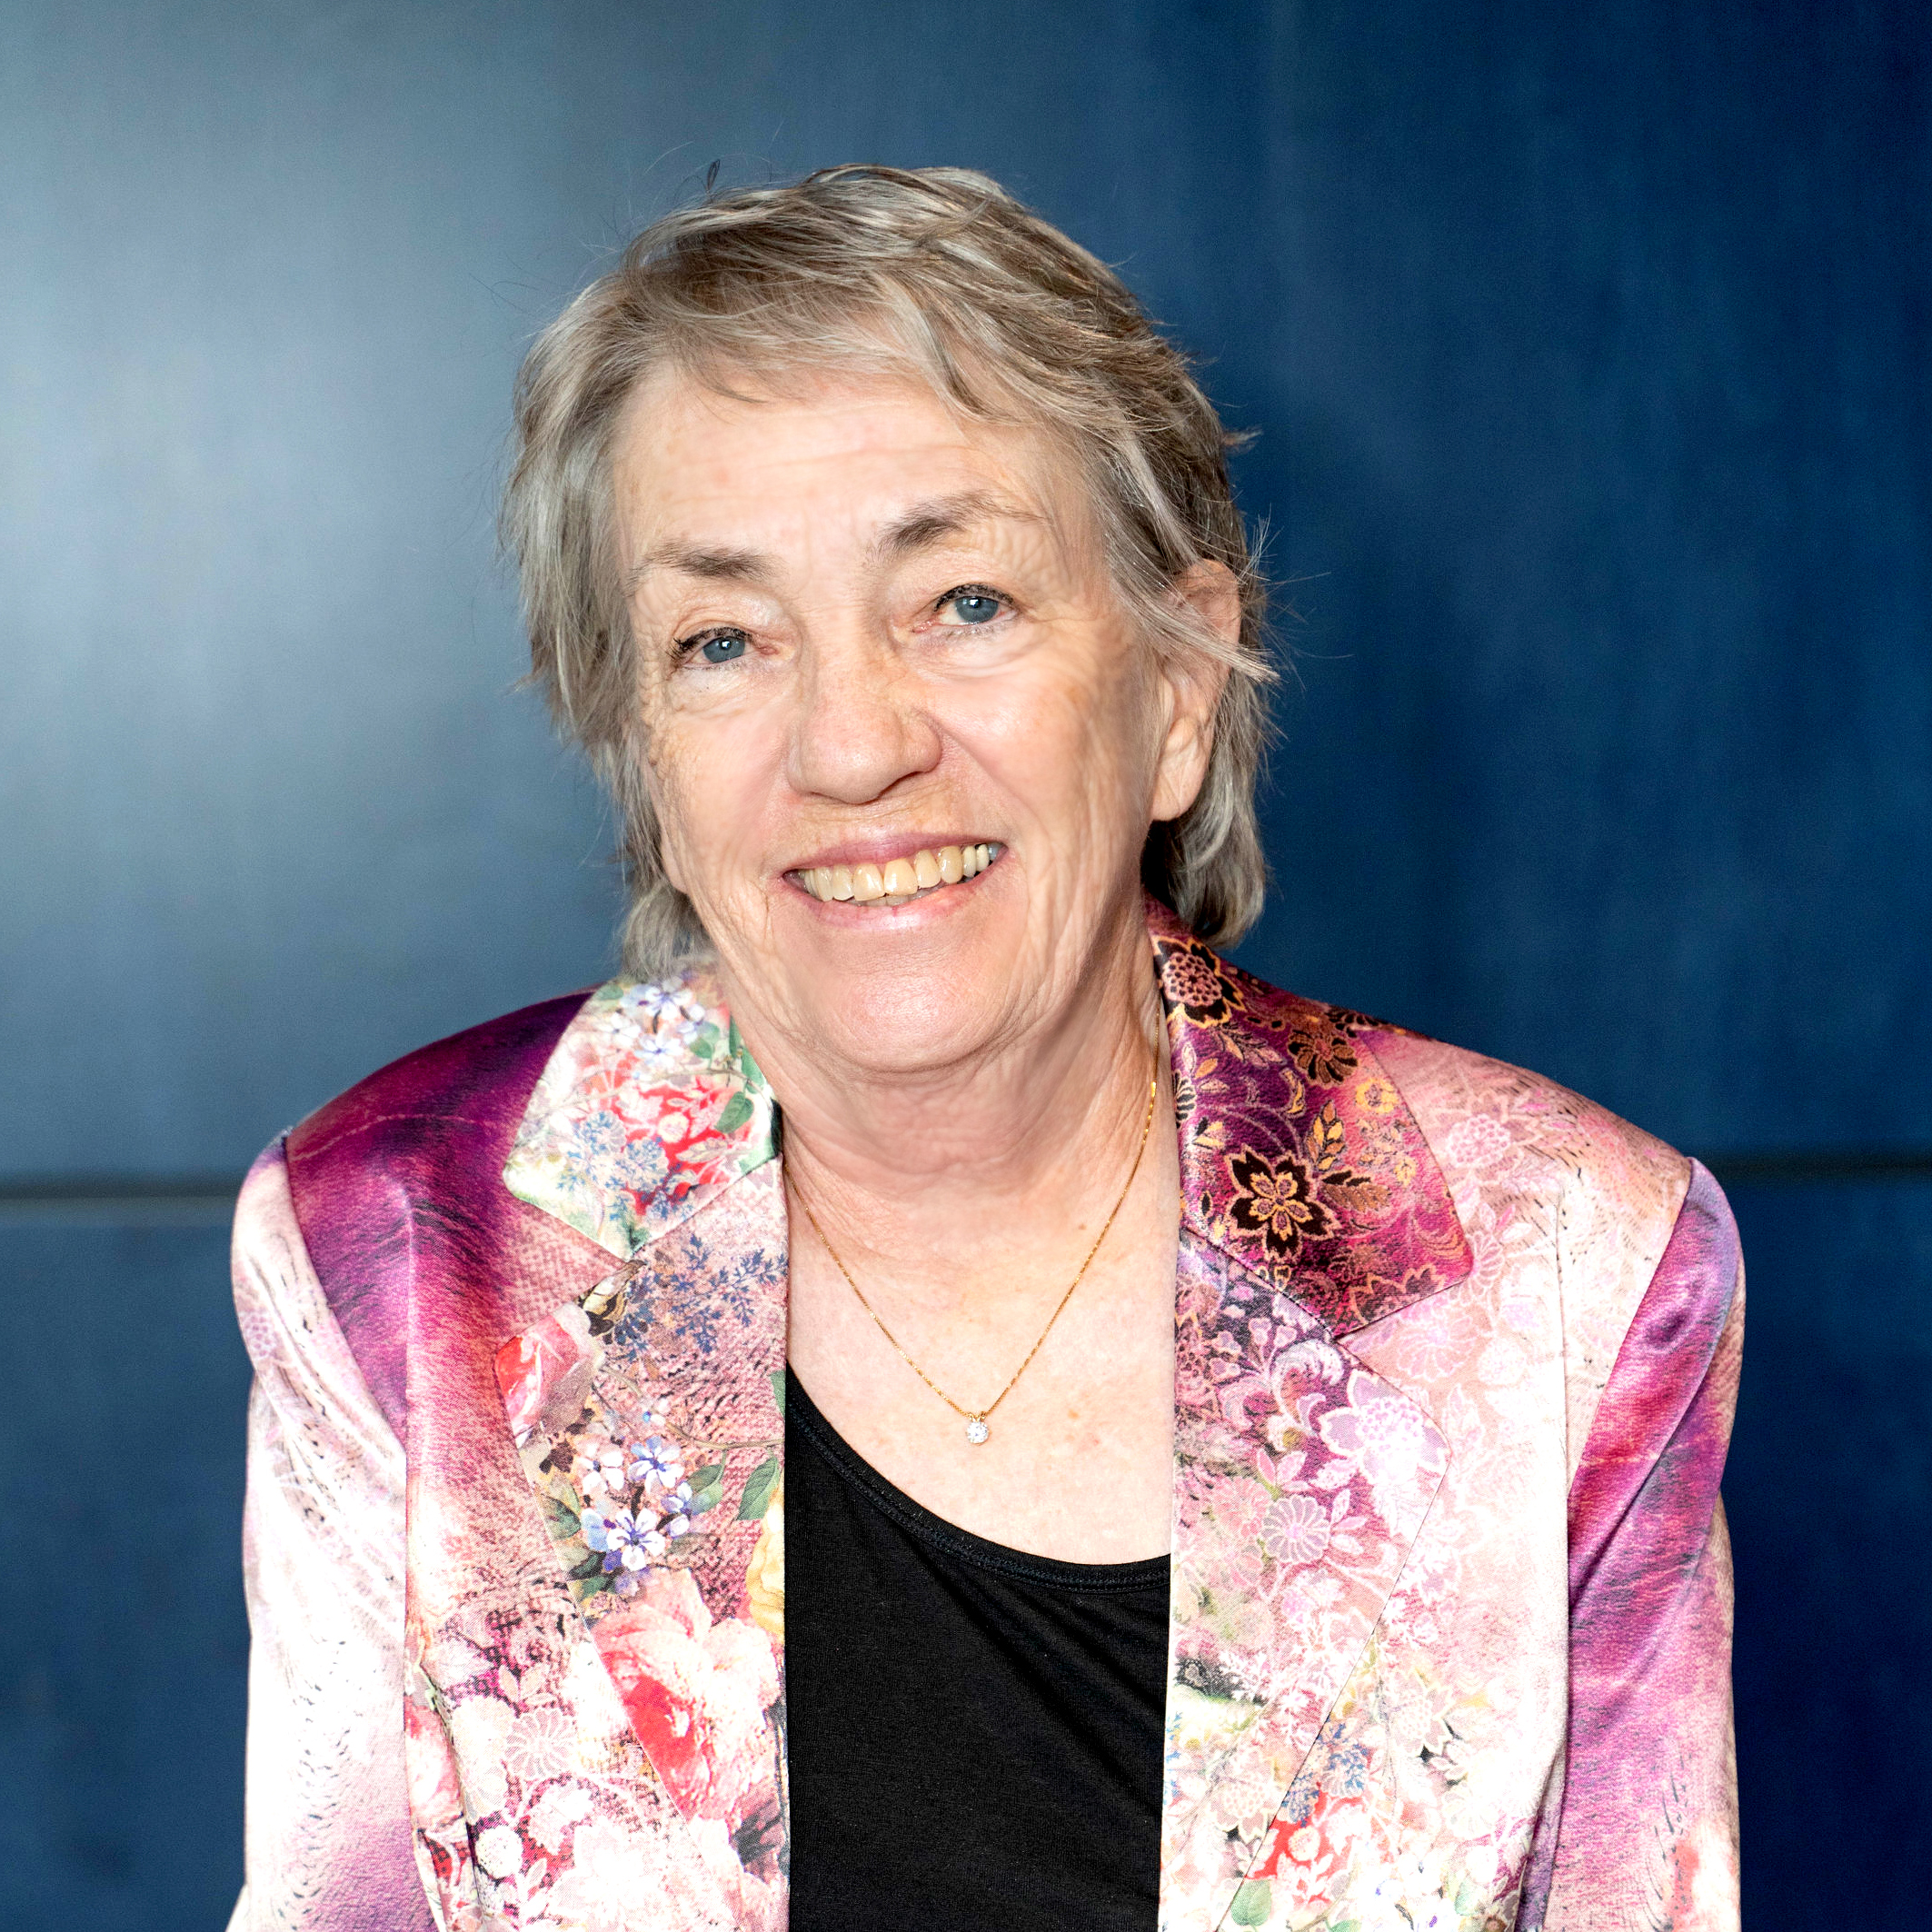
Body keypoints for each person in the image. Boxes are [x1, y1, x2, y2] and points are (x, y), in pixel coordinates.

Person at [227, 165, 1742, 1932]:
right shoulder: (406, 1251)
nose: (850, 743)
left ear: (1175, 690)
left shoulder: (1564, 1266)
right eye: (723, 639)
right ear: (640, 751)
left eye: (962, 602)